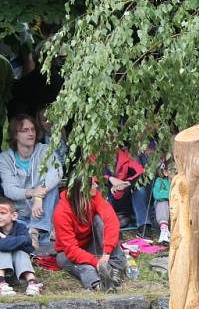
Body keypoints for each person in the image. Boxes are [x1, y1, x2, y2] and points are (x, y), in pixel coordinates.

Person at [0, 113, 62, 253]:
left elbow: (57, 172)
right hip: (21, 214)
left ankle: (35, 231)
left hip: (43, 212)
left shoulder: (45, 150)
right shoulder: (5, 159)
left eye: (33, 129)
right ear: (15, 135)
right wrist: (32, 193)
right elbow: (9, 189)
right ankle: (40, 231)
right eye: (25, 130)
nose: (31, 133)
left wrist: (39, 195)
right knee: (14, 224)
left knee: (51, 187)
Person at [53, 177, 126, 290]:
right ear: (82, 189)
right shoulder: (61, 212)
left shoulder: (95, 196)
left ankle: (115, 268)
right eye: (92, 184)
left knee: (99, 220)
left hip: (92, 245)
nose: (96, 186)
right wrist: (96, 262)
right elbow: (72, 249)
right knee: (80, 265)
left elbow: (111, 221)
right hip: (69, 253)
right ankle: (98, 285)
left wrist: (106, 252)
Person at [0, 196, 43, 296]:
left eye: (2, 213)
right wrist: (18, 242)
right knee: (3, 251)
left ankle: (32, 282)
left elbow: (28, 245)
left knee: (20, 252)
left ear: (14, 216)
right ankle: (0, 282)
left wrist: (7, 241)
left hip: (20, 272)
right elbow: (3, 246)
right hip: (3, 270)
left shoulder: (21, 227)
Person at [105, 147, 151, 232]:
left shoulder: (125, 155)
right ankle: (108, 226)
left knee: (139, 189)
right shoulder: (96, 157)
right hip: (108, 197)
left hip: (124, 195)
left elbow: (140, 172)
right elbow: (93, 178)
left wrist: (126, 183)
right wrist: (110, 179)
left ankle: (143, 226)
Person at [152, 160, 172, 244]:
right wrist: (172, 195)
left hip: (177, 214)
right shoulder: (160, 181)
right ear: (165, 172)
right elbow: (157, 194)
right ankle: (164, 231)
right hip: (163, 216)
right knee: (162, 202)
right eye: (172, 170)